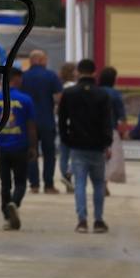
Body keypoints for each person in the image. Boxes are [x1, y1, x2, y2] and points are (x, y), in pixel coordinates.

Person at [59, 58, 114, 234]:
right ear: (94, 72)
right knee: (98, 184)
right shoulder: (102, 94)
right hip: (97, 146)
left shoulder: (69, 93)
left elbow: (62, 120)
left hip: (77, 144)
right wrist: (107, 143)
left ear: (78, 72)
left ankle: (82, 221)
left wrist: (66, 139)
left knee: (80, 183)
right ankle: (98, 220)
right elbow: (107, 121)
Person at [0, 67, 38, 230]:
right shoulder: (26, 100)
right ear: (15, 79)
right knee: (20, 182)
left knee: (5, 183)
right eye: (20, 79)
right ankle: (14, 203)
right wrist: (33, 147)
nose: (22, 82)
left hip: (2, 147)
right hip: (20, 147)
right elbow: (31, 127)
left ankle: (7, 216)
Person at [20, 49, 63, 194]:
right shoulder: (51, 76)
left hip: (27, 122)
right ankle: (49, 185)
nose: (46, 62)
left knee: (31, 152)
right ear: (39, 60)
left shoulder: (23, 77)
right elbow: (59, 97)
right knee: (49, 154)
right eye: (45, 59)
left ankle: (34, 185)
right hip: (47, 121)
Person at [98, 65, 127, 191]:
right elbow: (122, 115)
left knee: (95, 155)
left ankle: (72, 170)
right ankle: (104, 182)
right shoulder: (115, 94)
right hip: (110, 128)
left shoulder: (96, 91)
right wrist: (124, 131)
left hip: (94, 127)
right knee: (110, 157)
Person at [58, 61, 78, 189]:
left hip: (62, 122)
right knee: (76, 153)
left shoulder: (61, 87)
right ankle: (69, 173)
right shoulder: (75, 87)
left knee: (64, 154)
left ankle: (65, 175)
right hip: (76, 123)